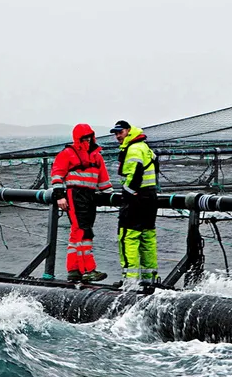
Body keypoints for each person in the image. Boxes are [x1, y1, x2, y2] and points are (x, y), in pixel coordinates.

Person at [50, 123, 112, 282]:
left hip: (90, 196)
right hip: (75, 195)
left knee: (77, 232)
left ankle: (74, 270)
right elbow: (57, 175)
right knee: (84, 232)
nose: (88, 140)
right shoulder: (68, 153)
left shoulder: (97, 155)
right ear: (78, 138)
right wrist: (59, 196)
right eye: (85, 138)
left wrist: (110, 196)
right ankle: (88, 270)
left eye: (89, 137)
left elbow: (104, 180)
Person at [110, 120, 159, 288]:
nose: (117, 136)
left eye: (120, 132)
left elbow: (134, 175)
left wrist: (129, 194)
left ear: (129, 131)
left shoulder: (133, 149)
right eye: (115, 133)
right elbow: (154, 166)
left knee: (128, 237)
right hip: (150, 197)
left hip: (136, 198)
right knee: (147, 237)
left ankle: (129, 281)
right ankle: (149, 279)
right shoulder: (145, 147)